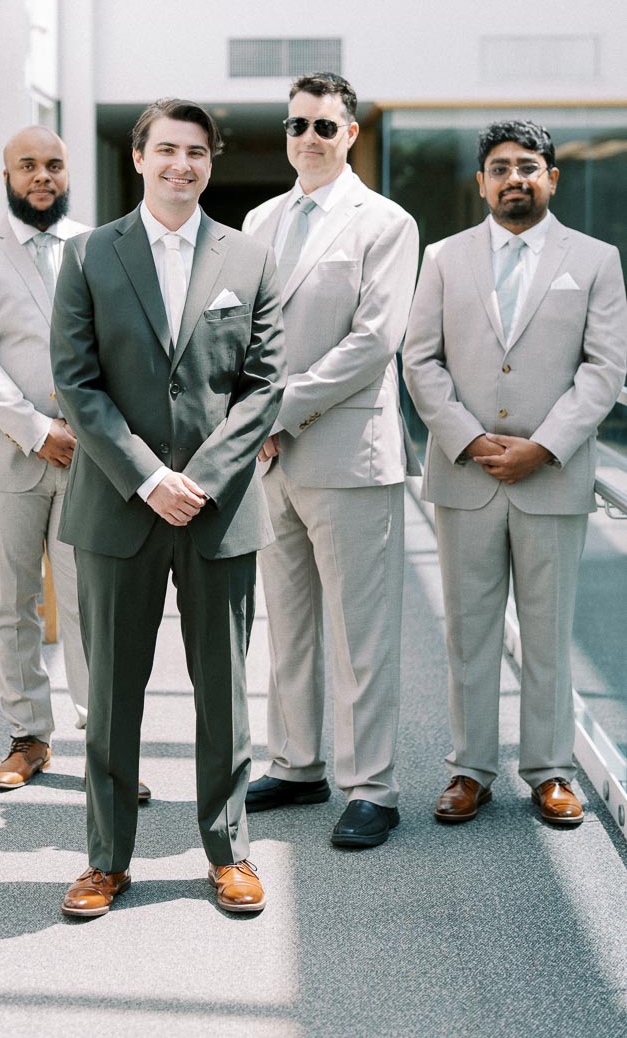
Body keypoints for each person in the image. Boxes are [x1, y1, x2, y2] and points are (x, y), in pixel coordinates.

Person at [50, 98, 285, 916]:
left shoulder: (249, 258)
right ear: (139, 157)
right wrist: (150, 477)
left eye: (197, 153)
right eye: (167, 150)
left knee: (223, 689)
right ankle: (105, 860)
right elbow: (76, 383)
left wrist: (204, 479)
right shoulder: (87, 255)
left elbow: (263, 387)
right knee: (114, 693)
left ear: (210, 163)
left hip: (217, 510)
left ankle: (230, 853)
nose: (182, 165)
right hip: (120, 504)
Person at [403, 120, 627, 826]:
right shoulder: (442, 256)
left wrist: (546, 446)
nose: (514, 177)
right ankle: (470, 769)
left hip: (551, 477)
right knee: (468, 632)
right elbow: (419, 359)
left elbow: (605, 368)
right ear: (481, 182)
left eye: (528, 165)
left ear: (552, 177)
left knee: (547, 631)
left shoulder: (595, 259)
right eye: (499, 167)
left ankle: (551, 770)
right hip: (465, 479)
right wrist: (469, 440)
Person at [0, 127, 151, 800]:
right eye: (28, 165)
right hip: (7, 454)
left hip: (91, 457)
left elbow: (125, 347)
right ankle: (27, 736)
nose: (42, 176)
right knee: (12, 603)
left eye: (54, 165)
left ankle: (106, 744)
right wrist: (37, 430)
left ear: (69, 174)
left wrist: (94, 432)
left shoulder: (102, 246)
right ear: (5, 175)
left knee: (96, 603)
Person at [242, 72, 419, 849]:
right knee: (289, 624)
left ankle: (372, 785)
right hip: (270, 460)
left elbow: (375, 340)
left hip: (348, 454)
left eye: (323, 126)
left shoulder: (386, 222)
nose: (307, 139)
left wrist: (276, 410)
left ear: (350, 133)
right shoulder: (258, 219)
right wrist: (253, 418)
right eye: (295, 126)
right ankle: (297, 762)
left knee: (361, 631)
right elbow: (242, 330)